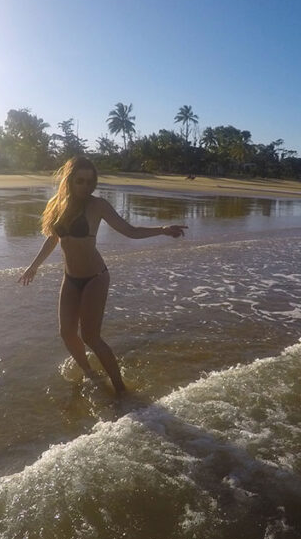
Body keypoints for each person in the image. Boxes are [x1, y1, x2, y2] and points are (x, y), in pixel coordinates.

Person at [19, 157, 187, 394]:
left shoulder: (98, 206)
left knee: (90, 337)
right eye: (80, 181)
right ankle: (90, 374)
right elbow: (53, 237)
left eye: (91, 182)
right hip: (70, 279)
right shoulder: (57, 204)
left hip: (95, 277)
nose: (86, 187)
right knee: (67, 333)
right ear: (68, 181)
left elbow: (130, 231)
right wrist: (34, 266)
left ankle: (121, 390)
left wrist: (162, 230)